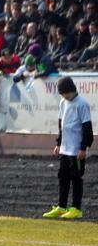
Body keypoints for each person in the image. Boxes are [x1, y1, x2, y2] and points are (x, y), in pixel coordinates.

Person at [42, 76, 92, 220]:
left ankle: (76, 208)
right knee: (63, 177)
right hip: (65, 148)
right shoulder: (63, 103)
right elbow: (61, 125)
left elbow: (87, 128)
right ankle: (61, 206)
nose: (64, 96)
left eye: (65, 93)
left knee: (76, 178)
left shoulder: (82, 104)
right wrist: (58, 143)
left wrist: (83, 148)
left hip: (77, 149)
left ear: (72, 90)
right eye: (62, 94)